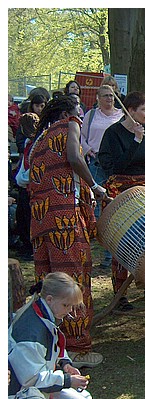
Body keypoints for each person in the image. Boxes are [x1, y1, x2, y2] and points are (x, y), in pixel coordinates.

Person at [28, 95, 107, 368]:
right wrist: (94, 185)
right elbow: (74, 157)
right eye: (79, 109)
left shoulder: (38, 141)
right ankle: (76, 349)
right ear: (67, 111)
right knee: (73, 281)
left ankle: (50, 345)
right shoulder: (68, 124)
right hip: (64, 217)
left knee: (50, 283)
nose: (82, 114)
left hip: (40, 221)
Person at [98, 91, 145, 309]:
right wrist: (135, 141)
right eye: (144, 109)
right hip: (120, 191)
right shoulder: (113, 133)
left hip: (144, 190)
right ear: (131, 111)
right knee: (124, 242)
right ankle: (121, 294)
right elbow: (116, 166)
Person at [9, 273, 94, 399]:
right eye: (66, 305)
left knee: (84, 396)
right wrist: (67, 380)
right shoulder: (31, 333)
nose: (69, 311)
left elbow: (53, 347)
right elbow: (32, 379)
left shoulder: (42, 313)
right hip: (20, 394)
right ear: (50, 299)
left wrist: (64, 363)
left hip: (36, 383)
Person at [80, 85, 124, 269]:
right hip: (96, 162)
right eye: (105, 96)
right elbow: (81, 137)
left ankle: (111, 255)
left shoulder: (122, 115)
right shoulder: (90, 116)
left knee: (116, 206)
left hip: (116, 165)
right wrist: (88, 150)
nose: (109, 99)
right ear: (98, 98)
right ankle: (100, 246)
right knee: (96, 206)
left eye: (112, 96)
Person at [13, 113, 40, 259]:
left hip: (31, 187)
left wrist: (22, 179)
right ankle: (25, 245)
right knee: (22, 216)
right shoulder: (27, 142)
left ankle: (31, 248)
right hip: (23, 185)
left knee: (29, 218)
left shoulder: (37, 143)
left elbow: (34, 167)